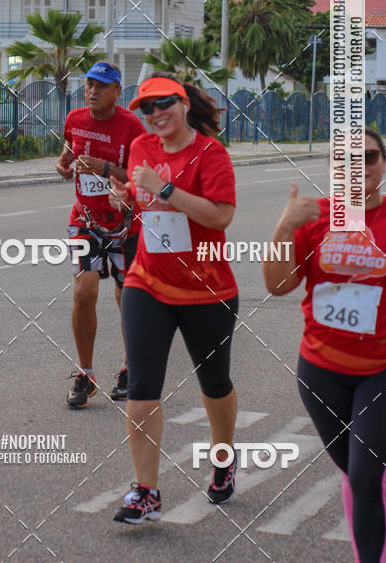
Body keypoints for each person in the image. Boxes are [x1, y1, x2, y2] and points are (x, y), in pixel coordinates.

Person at [265, 127, 386, 563]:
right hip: (321, 372)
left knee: (366, 478)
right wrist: (284, 226)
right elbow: (278, 284)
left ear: (383, 163)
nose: (357, 168)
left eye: (369, 158)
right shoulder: (313, 219)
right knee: (355, 474)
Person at [108, 74, 239, 524]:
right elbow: (143, 202)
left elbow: (220, 217)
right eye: (147, 107)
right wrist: (127, 195)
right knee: (142, 392)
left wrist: (164, 189)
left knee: (214, 385)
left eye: (164, 103)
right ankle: (146, 492)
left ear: (183, 104)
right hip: (147, 283)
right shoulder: (141, 148)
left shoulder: (210, 153)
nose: (155, 113)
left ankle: (223, 459)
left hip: (207, 289)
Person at [56, 61, 146, 408]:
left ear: (116, 92)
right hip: (86, 218)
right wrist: (63, 166)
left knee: (128, 300)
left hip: (125, 222)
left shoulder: (132, 126)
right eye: (89, 84)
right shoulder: (75, 119)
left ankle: (130, 368)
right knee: (84, 291)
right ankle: (86, 373)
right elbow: (67, 156)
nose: (92, 91)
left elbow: (140, 174)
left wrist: (105, 168)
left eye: (101, 85)